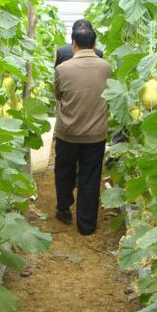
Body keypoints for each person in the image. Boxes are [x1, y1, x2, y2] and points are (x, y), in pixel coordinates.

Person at [54, 24, 111, 235]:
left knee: (64, 171)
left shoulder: (62, 68)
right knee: (90, 177)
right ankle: (86, 225)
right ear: (94, 45)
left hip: (67, 132)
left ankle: (63, 209)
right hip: (95, 135)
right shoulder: (106, 67)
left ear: (74, 44)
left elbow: (58, 95)